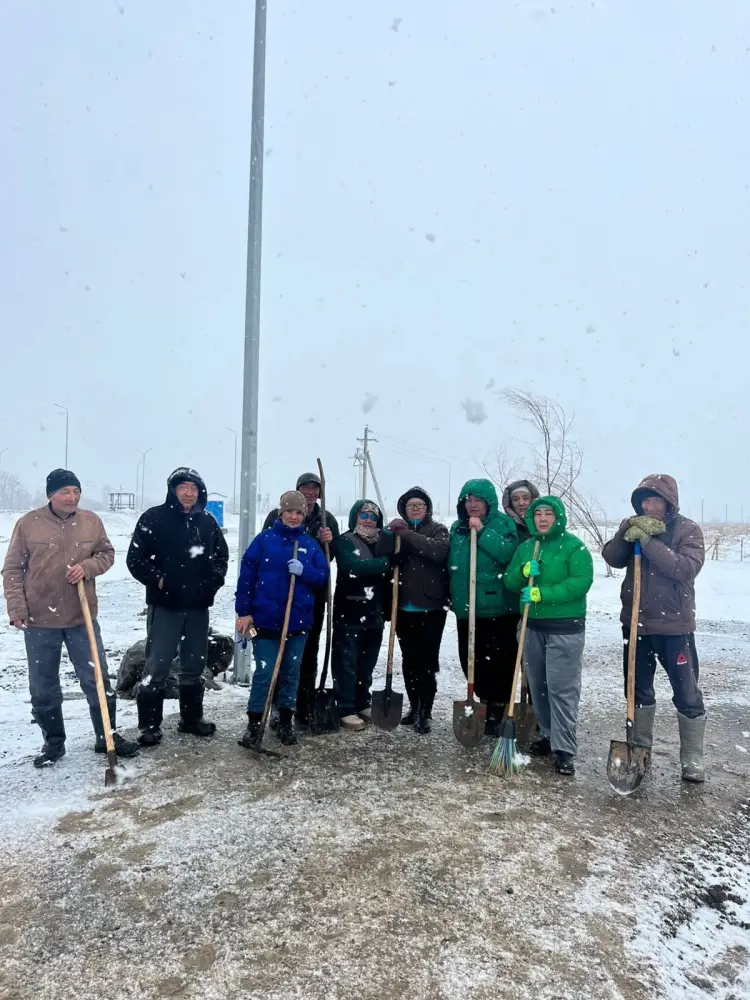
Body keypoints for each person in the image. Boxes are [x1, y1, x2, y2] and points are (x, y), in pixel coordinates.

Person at [2, 469, 139, 766]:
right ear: (50, 494)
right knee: (43, 685)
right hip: (40, 621)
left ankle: (107, 737)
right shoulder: (29, 524)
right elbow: (12, 569)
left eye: (76, 491)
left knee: (97, 679)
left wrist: (88, 567)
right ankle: (53, 743)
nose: (72, 497)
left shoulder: (91, 521)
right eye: (65, 491)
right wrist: (17, 608)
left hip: (81, 618)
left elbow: (106, 553)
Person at [602, 474, 706, 782]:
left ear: (669, 502)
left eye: (655, 500)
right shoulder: (633, 527)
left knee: (686, 692)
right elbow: (611, 557)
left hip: (675, 626)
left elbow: (683, 568)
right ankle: (639, 750)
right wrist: (625, 533)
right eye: (644, 501)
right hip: (636, 624)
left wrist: (648, 542)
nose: (649, 506)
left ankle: (692, 758)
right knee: (637, 690)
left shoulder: (687, 530)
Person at [126, 467, 229, 747]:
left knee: (194, 665)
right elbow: (135, 559)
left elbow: (222, 557)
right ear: (173, 490)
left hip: (197, 607)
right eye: (183, 487)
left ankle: (191, 719)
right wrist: (158, 580)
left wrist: (213, 582)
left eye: (193, 488)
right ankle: (149, 726)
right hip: (166, 605)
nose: (188, 492)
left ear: (200, 492)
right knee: (157, 666)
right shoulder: (154, 518)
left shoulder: (207, 522)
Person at [505, 496, 594, 776]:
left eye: (548, 514)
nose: (543, 519)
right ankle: (547, 734)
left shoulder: (574, 547)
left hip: (565, 629)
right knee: (539, 686)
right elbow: (509, 581)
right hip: (533, 626)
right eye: (538, 514)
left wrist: (544, 594)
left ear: (558, 517)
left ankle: (564, 747)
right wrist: (522, 572)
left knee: (562, 689)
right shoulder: (527, 548)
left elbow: (580, 583)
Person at [236, 490, 329, 746]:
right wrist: (244, 612)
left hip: (297, 622)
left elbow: (323, 578)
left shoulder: (309, 545)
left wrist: (304, 571)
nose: (294, 516)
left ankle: (286, 721)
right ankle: (255, 723)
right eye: (289, 511)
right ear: (281, 513)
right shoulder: (264, 540)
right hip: (265, 621)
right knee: (264, 673)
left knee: (291, 673)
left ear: (304, 515)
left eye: (299, 512)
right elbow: (246, 578)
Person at [263, 472, 340, 727]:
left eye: (314, 489)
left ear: (320, 492)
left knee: (307, 652)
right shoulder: (277, 516)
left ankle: (304, 705)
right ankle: (277, 705)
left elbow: (329, 559)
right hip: (279, 596)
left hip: (311, 598)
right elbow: (268, 549)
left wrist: (329, 542)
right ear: (297, 490)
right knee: (279, 652)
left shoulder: (326, 519)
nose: (309, 493)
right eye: (305, 488)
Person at [448, 479, 520, 735]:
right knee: (471, 660)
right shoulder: (457, 527)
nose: (472, 505)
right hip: (467, 608)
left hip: (497, 609)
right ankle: (483, 700)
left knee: (499, 663)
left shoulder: (503, 524)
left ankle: (497, 707)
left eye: (478, 500)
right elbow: (452, 564)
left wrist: (483, 532)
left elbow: (509, 555)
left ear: (488, 502)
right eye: (468, 500)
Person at [378, 487, 449, 734]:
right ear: (404, 509)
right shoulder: (396, 532)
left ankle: (425, 711)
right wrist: (391, 546)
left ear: (427, 508)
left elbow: (437, 552)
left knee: (427, 662)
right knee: (409, 660)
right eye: (411, 506)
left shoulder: (438, 530)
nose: (416, 508)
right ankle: (414, 705)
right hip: (403, 607)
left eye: (420, 504)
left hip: (431, 607)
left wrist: (406, 535)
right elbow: (382, 555)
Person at [332, 499, 393, 731]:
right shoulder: (346, 541)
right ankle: (345, 706)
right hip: (350, 610)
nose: (368, 520)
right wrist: (386, 563)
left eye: (373, 516)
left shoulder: (383, 541)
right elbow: (353, 567)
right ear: (354, 517)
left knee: (367, 661)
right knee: (346, 661)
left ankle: (361, 700)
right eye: (363, 515)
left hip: (375, 610)